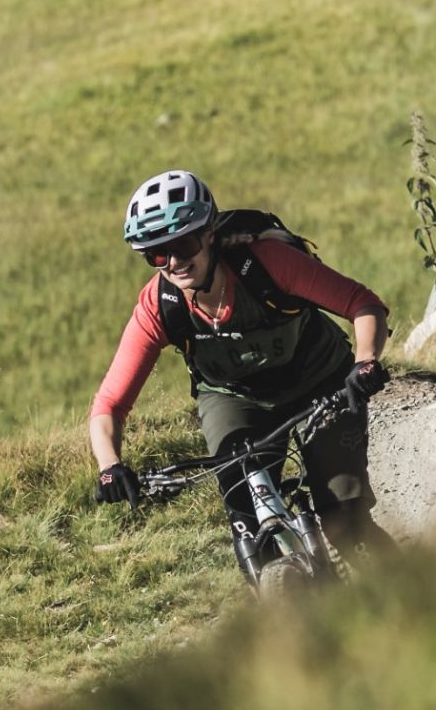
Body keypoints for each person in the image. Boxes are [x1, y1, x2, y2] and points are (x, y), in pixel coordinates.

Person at [90, 169, 395, 585]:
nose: (174, 263)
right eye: (157, 255)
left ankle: (416, 598)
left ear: (209, 233)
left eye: (182, 244)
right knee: (248, 522)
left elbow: (363, 304)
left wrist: (365, 362)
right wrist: (110, 466)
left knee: (344, 517)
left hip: (321, 382)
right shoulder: (159, 306)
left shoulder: (268, 266)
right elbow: (109, 404)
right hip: (234, 398)